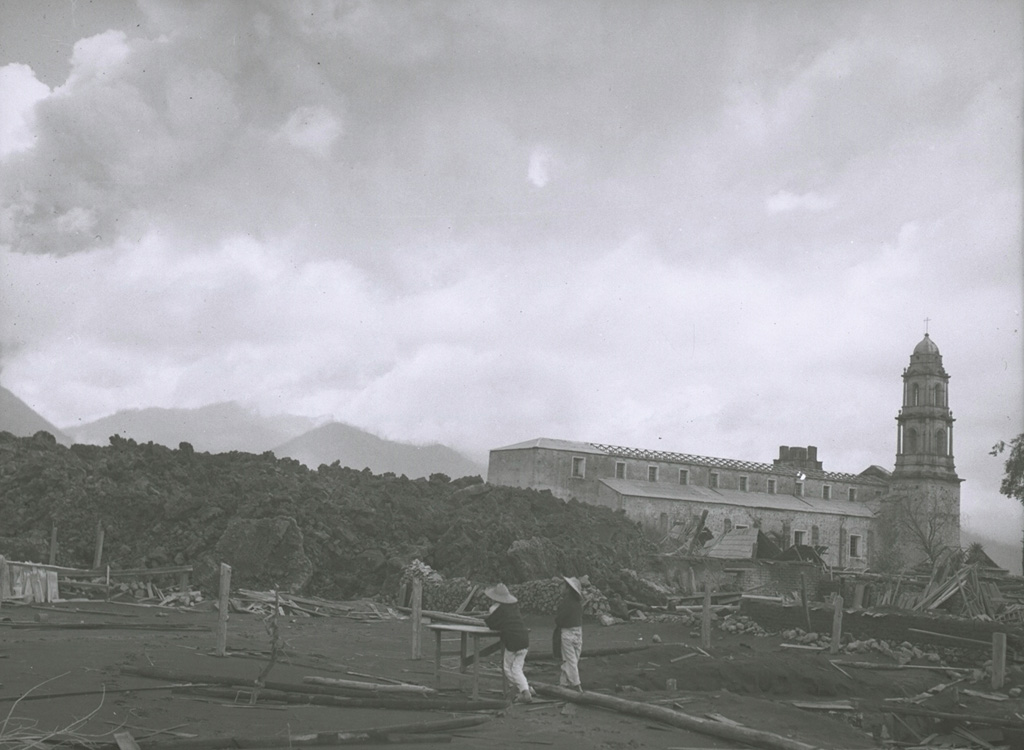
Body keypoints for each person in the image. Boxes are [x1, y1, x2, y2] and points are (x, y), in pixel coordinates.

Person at [483, 583, 532, 703]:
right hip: (524, 638)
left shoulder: (495, 609)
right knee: (517, 668)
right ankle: (526, 688)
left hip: (513, 641)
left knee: (509, 669)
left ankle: (526, 693)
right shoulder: (514, 608)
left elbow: (491, 624)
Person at [554, 575, 585, 691]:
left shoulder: (565, 603)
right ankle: (563, 683)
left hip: (568, 633)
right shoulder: (577, 603)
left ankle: (577, 685)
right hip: (578, 632)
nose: (560, 588)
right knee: (573, 659)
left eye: (563, 586)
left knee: (569, 660)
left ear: (568, 589)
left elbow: (559, 620)